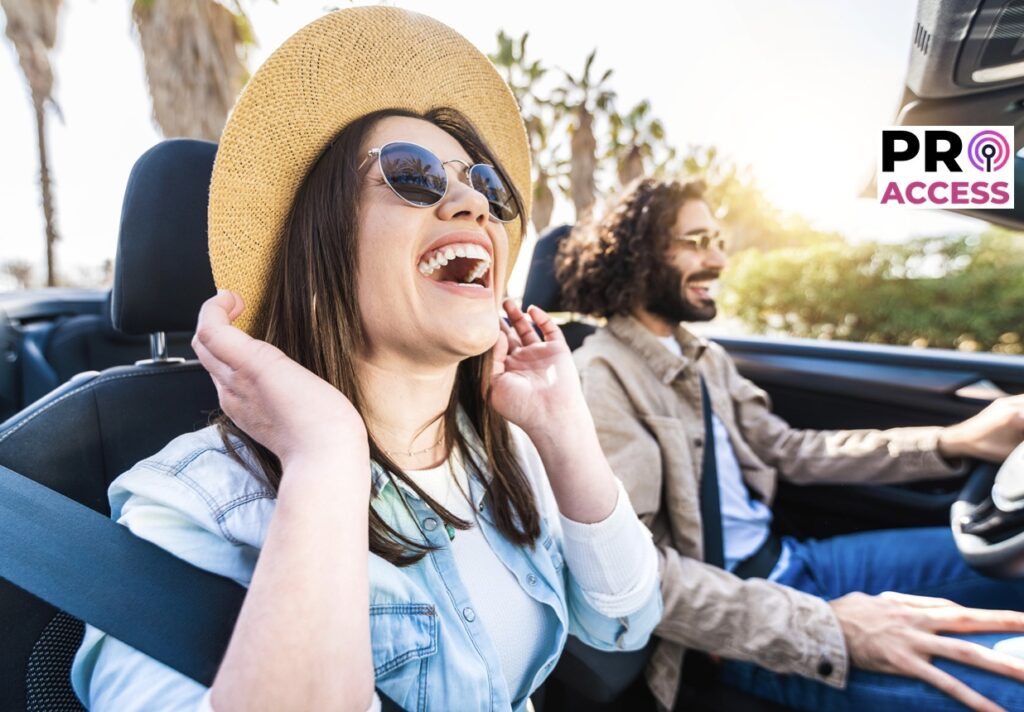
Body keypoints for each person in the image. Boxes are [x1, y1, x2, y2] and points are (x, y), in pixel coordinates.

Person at [71, 8, 661, 711]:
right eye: (412, 174)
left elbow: (624, 623)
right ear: (319, 258)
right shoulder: (193, 505)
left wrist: (564, 431)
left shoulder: (503, 453)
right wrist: (327, 454)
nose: (475, 200)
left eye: (488, 185)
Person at [557, 176, 1024, 712]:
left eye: (718, 241)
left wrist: (953, 439)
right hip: (736, 629)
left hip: (798, 562)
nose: (719, 261)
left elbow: (789, 450)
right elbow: (633, 571)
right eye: (696, 242)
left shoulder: (704, 357)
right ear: (637, 255)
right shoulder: (600, 379)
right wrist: (825, 626)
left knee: (1012, 562)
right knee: (1011, 683)